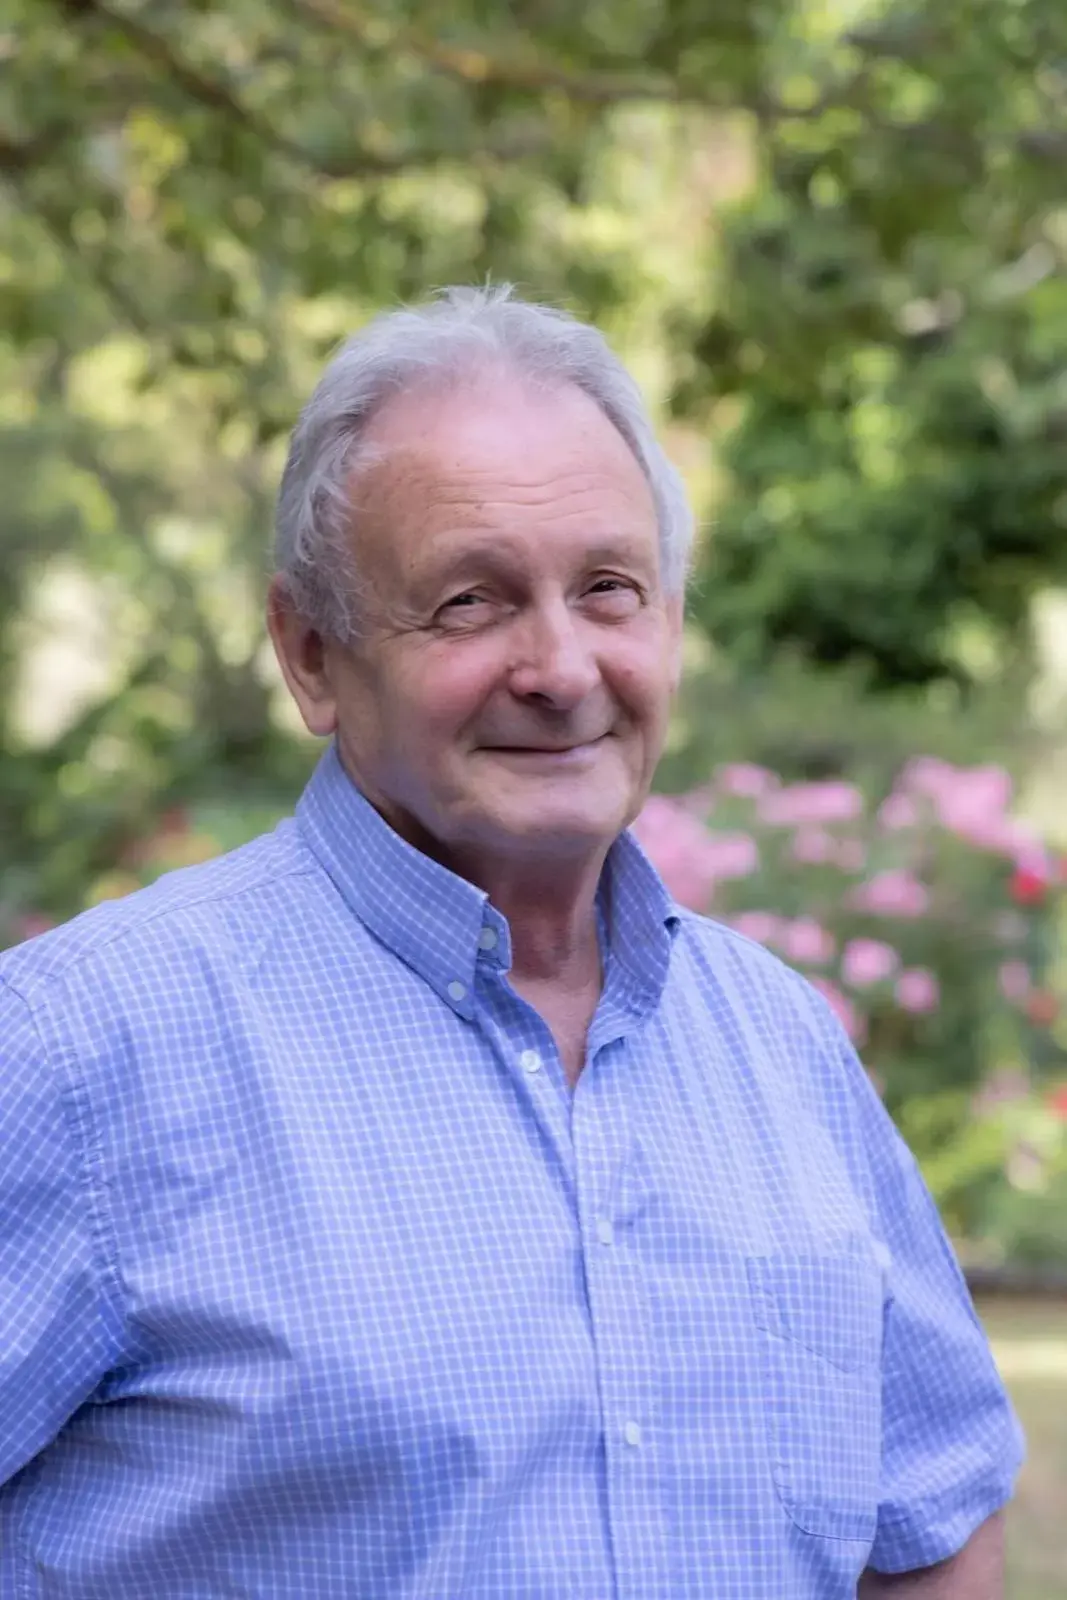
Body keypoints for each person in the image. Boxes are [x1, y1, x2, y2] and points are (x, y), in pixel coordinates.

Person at [0, 285, 1021, 1599]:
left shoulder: (778, 1045)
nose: (559, 666)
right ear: (311, 656)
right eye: (471, 603)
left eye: (608, 590)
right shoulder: (73, 1050)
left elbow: (929, 1521)